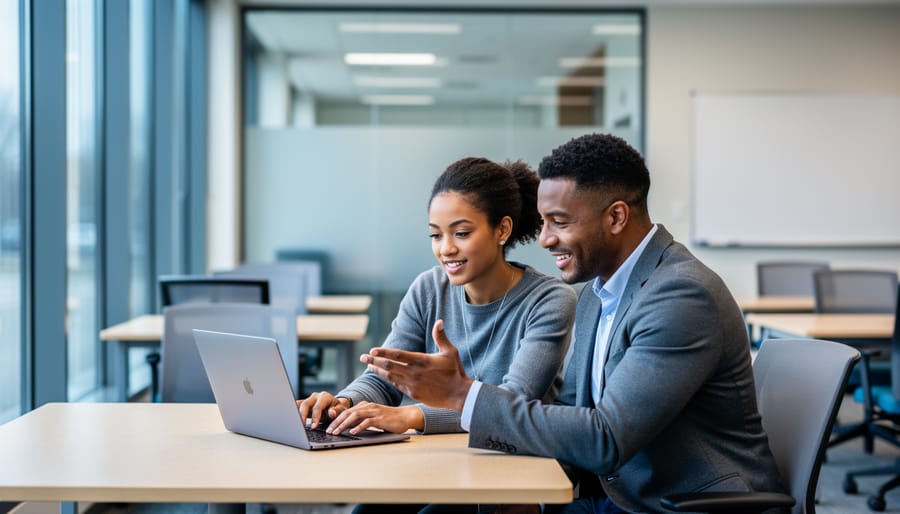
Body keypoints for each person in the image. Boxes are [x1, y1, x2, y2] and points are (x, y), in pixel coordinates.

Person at [360, 134, 788, 514]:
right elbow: (569, 412)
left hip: (678, 504)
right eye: (544, 222)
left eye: (559, 222)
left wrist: (460, 394)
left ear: (616, 217)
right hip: (614, 493)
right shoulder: (597, 294)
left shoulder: (680, 296)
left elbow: (606, 439)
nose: (544, 239)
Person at [298, 156, 576, 440]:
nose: (446, 248)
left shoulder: (549, 300)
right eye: (435, 235)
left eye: (462, 233)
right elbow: (384, 379)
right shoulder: (429, 289)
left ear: (502, 230)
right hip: (442, 458)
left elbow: (512, 403)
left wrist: (411, 415)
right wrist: (342, 404)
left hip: (518, 461)